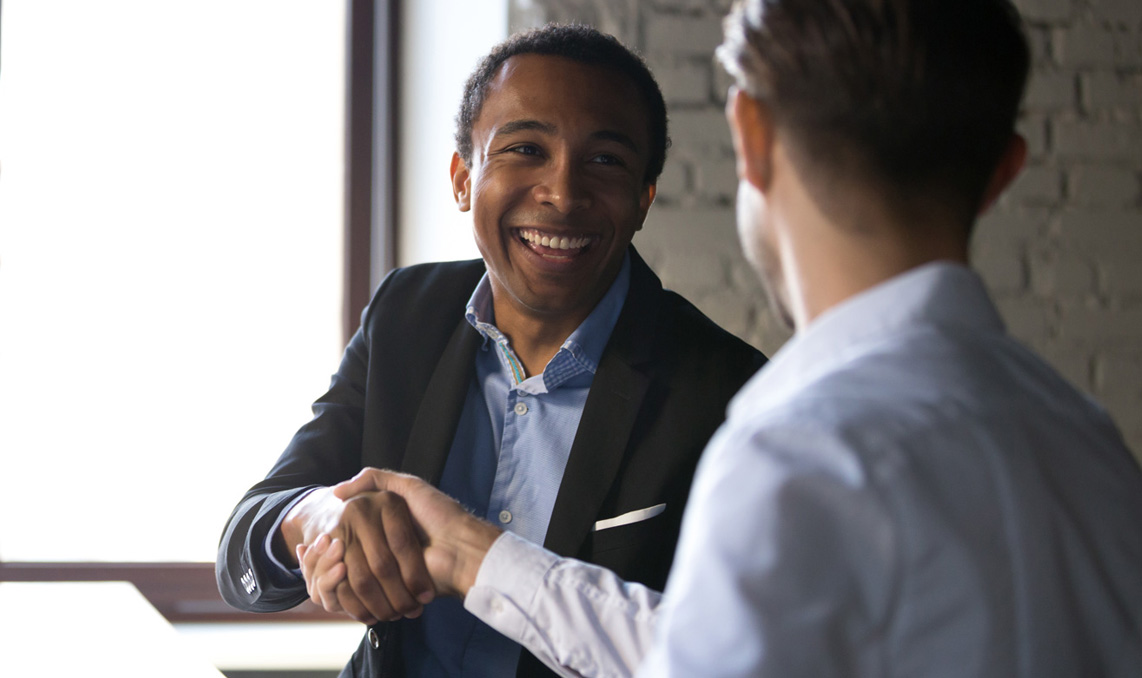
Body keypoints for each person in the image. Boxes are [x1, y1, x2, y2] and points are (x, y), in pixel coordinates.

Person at [307, 0, 1142, 676]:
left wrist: (471, 555)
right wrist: (469, 551)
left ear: (749, 137)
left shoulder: (795, 444)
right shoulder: (1092, 446)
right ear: (1006, 168)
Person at [215, 23, 766, 678]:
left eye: (605, 161)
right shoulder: (408, 314)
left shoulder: (729, 392)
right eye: (526, 149)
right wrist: (319, 518)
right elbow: (245, 542)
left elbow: (730, 654)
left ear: (645, 199)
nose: (563, 194)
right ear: (461, 179)